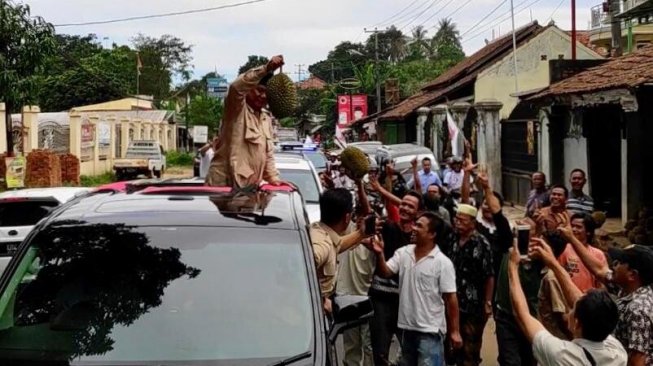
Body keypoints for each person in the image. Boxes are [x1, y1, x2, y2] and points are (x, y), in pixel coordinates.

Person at [509, 238, 627, 366]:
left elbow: (522, 315)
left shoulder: (560, 355)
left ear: (576, 323)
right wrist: (553, 262)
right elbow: (581, 302)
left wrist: (512, 266)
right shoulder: (617, 351)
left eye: (572, 310)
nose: (570, 309)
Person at [368, 212, 462, 366]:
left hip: (430, 332)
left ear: (432, 234)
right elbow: (385, 272)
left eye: (419, 226)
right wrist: (379, 254)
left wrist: (455, 331)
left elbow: (451, 298)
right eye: (415, 224)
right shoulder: (403, 253)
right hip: (406, 328)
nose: (413, 228)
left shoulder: (442, 263)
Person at [558, 233, 653, 366]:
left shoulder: (638, 309)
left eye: (620, 262)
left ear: (632, 274)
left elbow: (637, 362)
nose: (613, 265)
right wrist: (571, 238)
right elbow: (599, 269)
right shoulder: (626, 287)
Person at [205, 55, 284, 187]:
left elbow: (268, 154)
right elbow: (236, 88)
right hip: (224, 185)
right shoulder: (236, 110)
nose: (263, 96)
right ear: (249, 89)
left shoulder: (266, 118)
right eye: (259, 90)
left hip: (249, 188)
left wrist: (274, 179)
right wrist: (266, 68)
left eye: (266, 93)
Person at [366, 180, 423, 366]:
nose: (404, 208)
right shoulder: (388, 228)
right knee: (380, 352)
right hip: (381, 299)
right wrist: (361, 184)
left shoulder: (424, 238)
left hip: (409, 303)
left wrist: (382, 189)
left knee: (411, 353)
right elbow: (368, 213)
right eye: (403, 204)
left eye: (410, 206)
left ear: (419, 213)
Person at [440, 203, 494, 366]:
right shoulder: (452, 238)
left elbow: (489, 275)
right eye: (456, 219)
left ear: (472, 222)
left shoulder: (482, 243)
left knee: (470, 347)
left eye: (462, 220)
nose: (457, 223)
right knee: (449, 345)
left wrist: (488, 302)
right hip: (451, 300)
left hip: (473, 303)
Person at [310, 187, 372, 314]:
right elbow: (302, 266)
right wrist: (321, 300)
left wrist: (361, 233)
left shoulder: (320, 231)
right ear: (347, 217)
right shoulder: (322, 246)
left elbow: (337, 245)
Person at [558, 213, 607, 293]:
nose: (574, 229)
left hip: (588, 299)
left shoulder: (598, 254)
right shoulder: (564, 249)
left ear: (588, 232)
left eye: (578, 227)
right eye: (572, 226)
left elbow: (602, 282)